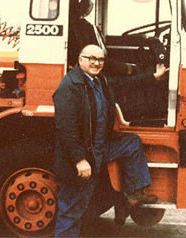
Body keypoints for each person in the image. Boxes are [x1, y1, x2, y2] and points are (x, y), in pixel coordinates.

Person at [53, 44, 169, 237]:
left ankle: (133, 193)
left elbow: (124, 84)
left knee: (131, 142)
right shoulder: (70, 87)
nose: (96, 63)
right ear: (80, 60)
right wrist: (79, 160)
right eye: (91, 58)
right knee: (71, 210)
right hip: (84, 157)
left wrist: (153, 77)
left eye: (100, 60)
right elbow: (66, 129)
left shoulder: (99, 81)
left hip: (99, 150)